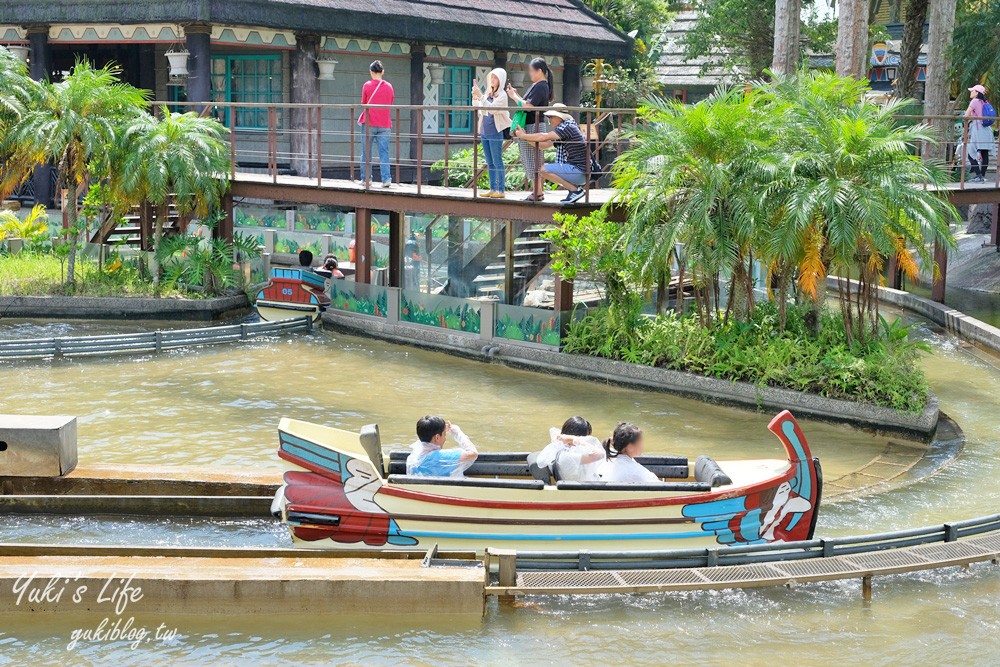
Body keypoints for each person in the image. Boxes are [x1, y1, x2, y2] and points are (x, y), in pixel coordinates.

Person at [514, 103, 589, 204]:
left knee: (543, 170)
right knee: (543, 169)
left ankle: (575, 190)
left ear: (559, 117)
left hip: (580, 172)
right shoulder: (566, 127)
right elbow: (544, 145)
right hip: (579, 171)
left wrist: (524, 135)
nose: (549, 120)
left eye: (551, 117)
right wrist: (524, 137)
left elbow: (543, 137)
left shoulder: (567, 127)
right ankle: (574, 190)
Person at [506, 58, 553, 201]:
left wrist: (514, 96)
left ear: (539, 71)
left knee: (533, 160)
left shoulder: (540, 86)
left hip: (534, 126)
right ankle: (537, 191)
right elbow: (526, 103)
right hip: (532, 125)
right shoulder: (539, 85)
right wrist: (516, 96)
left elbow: (529, 106)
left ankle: (538, 192)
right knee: (530, 159)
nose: (530, 74)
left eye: (532, 71)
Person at [472, 68, 512, 199]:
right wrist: (475, 97)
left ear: (500, 80)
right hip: (484, 130)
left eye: (495, 78)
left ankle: (501, 190)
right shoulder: (488, 93)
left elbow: (492, 109)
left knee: (497, 161)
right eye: (492, 77)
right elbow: (479, 108)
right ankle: (492, 188)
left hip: (495, 131)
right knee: (489, 162)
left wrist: (481, 97)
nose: (492, 80)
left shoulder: (502, 95)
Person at [531, 416, 604, 482]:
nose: (587, 440)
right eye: (586, 438)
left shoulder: (559, 449)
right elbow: (600, 454)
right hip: (584, 492)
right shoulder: (569, 456)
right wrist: (576, 440)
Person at [358, 60, 395, 188]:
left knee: (366, 152)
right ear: (382, 72)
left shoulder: (367, 85)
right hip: (385, 123)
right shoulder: (389, 86)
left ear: (371, 72)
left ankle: (366, 179)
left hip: (369, 122)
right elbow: (390, 102)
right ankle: (386, 179)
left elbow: (363, 102)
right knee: (384, 152)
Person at [406, 415, 479, 478]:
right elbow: (473, 454)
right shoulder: (443, 457)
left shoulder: (414, 457)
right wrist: (457, 433)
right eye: (444, 434)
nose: (445, 438)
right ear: (437, 437)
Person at [596, 422, 661, 484]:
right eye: (640, 441)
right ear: (630, 447)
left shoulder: (610, 456)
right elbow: (659, 486)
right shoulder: (634, 470)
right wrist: (654, 477)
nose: (643, 445)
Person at [965, 84, 994, 183]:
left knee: (971, 154)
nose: (971, 92)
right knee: (984, 154)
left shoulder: (974, 101)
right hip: (987, 130)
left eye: (972, 91)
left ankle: (978, 175)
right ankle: (982, 176)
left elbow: (966, 115)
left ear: (977, 92)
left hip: (978, 130)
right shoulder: (984, 102)